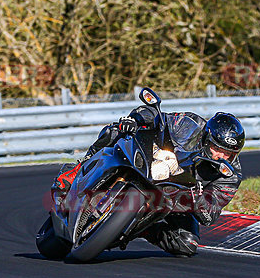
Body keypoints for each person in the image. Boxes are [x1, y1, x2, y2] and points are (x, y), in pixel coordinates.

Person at [50, 105, 245, 257]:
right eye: (216, 148)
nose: (220, 155)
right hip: (156, 160)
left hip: (177, 199)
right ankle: (77, 170)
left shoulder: (230, 175)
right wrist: (134, 119)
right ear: (207, 138)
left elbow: (210, 215)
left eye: (227, 153)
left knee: (187, 244)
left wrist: (197, 197)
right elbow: (157, 116)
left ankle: (141, 228)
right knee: (116, 130)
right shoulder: (190, 123)